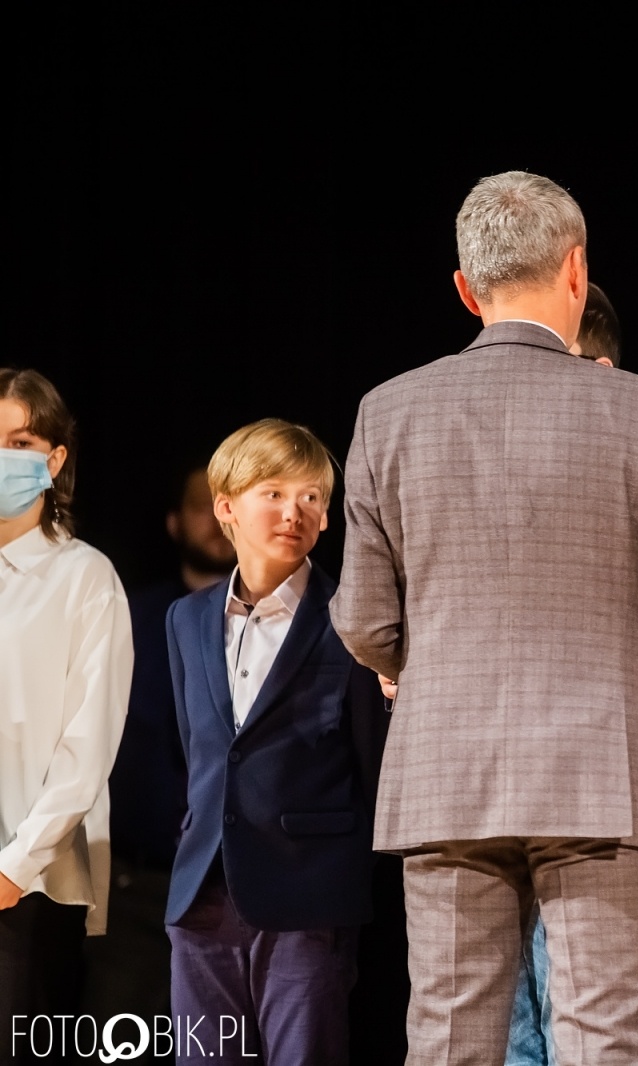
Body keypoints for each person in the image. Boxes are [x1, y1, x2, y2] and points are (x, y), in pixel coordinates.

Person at [331, 170, 638, 1066]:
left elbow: (362, 620)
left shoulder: (387, 412)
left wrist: (422, 662)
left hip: (444, 771)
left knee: (446, 1043)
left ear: (465, 290)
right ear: (576, 270)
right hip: (602, 775)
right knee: (606, 1045)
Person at [502, 279, 638, 1066]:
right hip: (478, 804)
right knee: (499, 1036)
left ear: (604, 370)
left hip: (595, 799)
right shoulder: (486, 474)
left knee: (588, 1033)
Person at [165, 419, 388, 1065]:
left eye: (313, 496)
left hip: (306, 894)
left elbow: (374, 761)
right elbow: (200, 750)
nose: (297, 511)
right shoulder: (187, 617)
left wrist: (341, 869)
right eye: (275, 492)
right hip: (204, 890)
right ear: (226, 506)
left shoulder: (351, 615)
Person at [0, 368, 133, 1061]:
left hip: (30, 885)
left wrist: (15, 867)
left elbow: (89, 742)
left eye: (19, 440)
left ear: (53, 459)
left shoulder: (84, 577)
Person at [81, 464, 235, 1056]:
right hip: (137, 887)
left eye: (227, 504)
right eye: (202, 505)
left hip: (238, 893)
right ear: (175, 522)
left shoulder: (292, 625)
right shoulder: (129, 618)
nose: (215, 520)